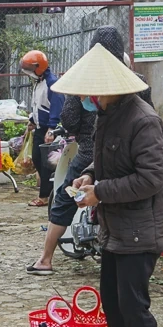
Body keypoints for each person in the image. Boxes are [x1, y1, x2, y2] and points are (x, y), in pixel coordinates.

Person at [63, 44, 163, 327]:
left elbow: (151, 178)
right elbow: (111, 160)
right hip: (114, 228)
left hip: (140, 230)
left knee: (134, 307)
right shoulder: (107, 114)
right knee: (113, 302)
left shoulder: (143, 120)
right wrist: (91, 175)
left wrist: (101, 191)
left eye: (91, 92)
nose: (86, 98)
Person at [28, 26, 126, 275]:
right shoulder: (132, 80)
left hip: (88, 153)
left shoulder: (86, 79)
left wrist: (79, 129)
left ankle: (45, 259)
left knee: (65, 198)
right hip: (125, 155)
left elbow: (69, 118)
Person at [21, 50, 63, 208]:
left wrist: (52, 128)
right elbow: (38, 104)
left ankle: (44, 196)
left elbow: (56, 107)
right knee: (37, 159)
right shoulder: (39, 82)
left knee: (46, 164)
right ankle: (48, 192)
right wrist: (32, 120)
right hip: (40, 127)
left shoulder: (52, 83)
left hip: (49, 129)